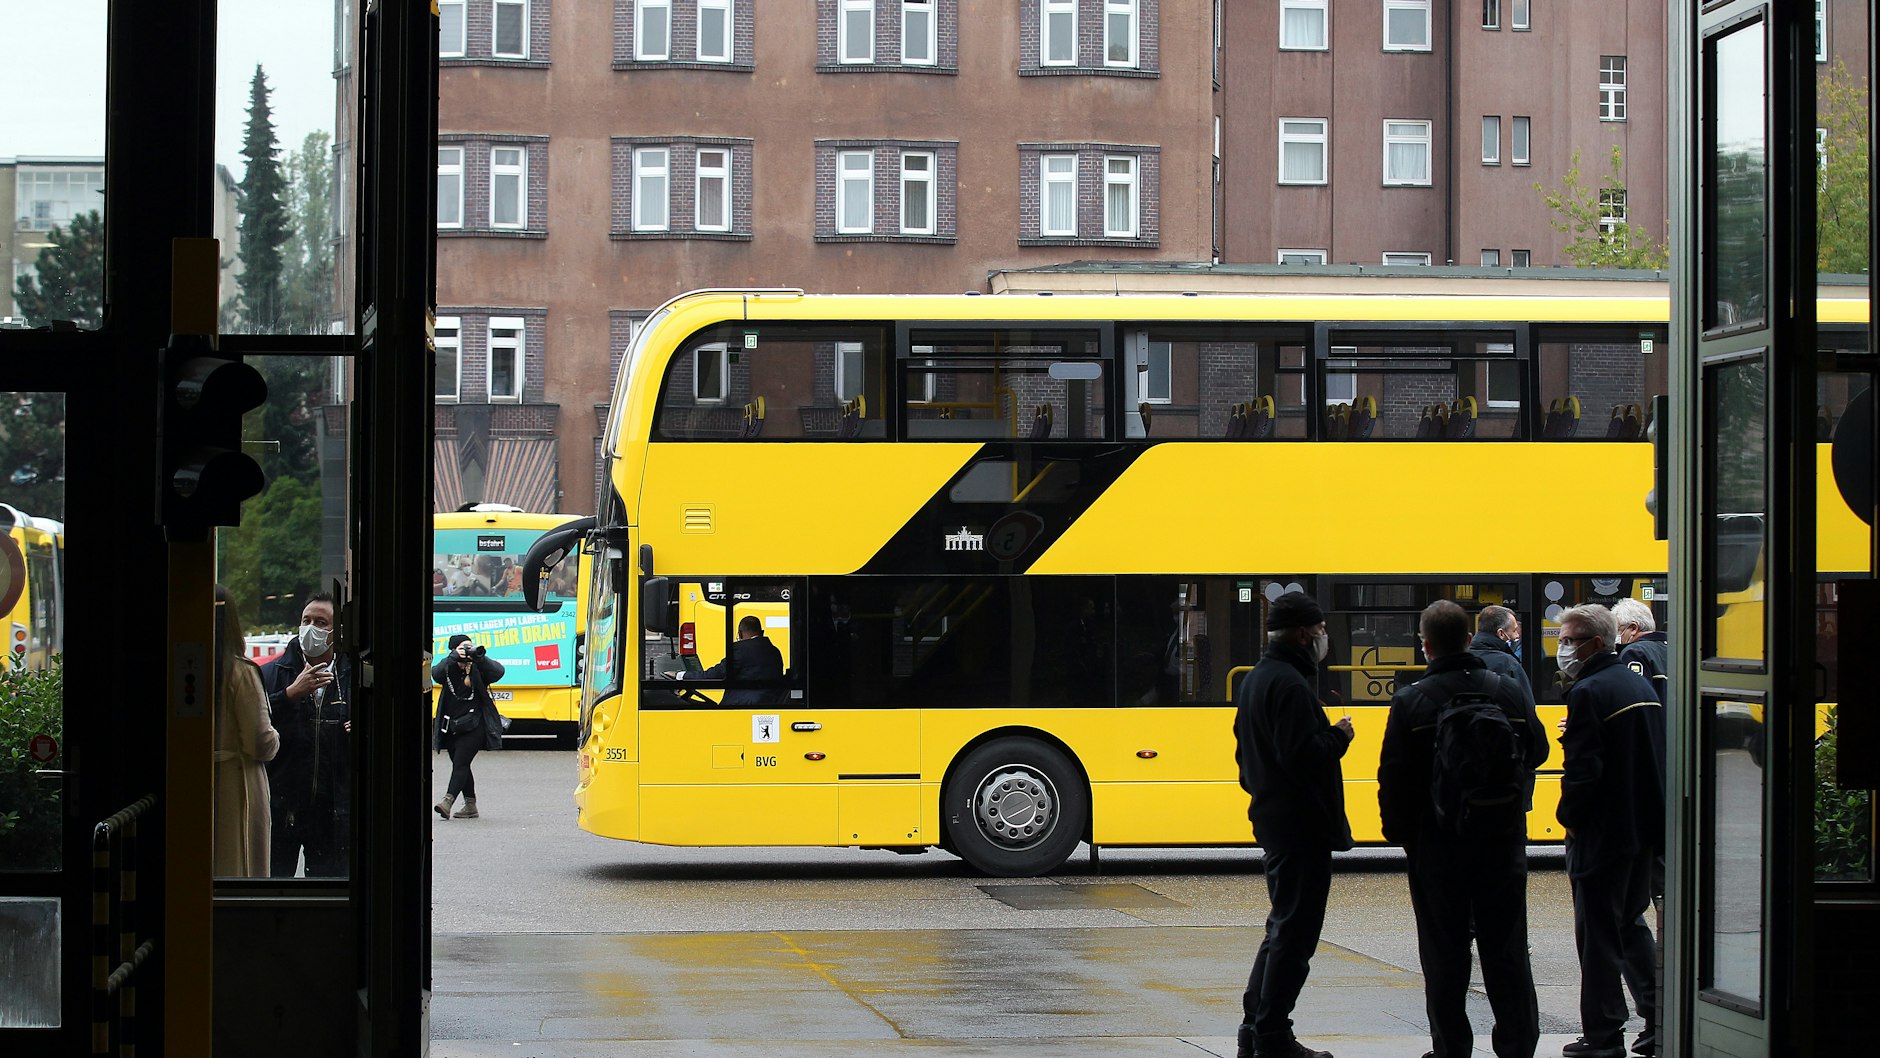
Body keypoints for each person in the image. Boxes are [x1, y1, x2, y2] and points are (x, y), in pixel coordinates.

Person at [1378, 600, 1546, 1058]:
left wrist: (1404, 836)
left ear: (1426, 646)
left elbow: (1393, 778)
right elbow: (1539, 750)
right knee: (1507, 949)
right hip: (1500, 843)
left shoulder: (1412, 701)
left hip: (1438, 850)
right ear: (1470, 639)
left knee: (1444, 955)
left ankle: (1451, 1047)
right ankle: (1517, 1045)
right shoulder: (1506, 690)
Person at [1232, 590, 1353, 1058]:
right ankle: (1273, 1035)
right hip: (1301, 826)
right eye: (1321, 630)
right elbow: (1304, 756)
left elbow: (1246, 759)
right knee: (1295, 934)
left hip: (1275, 819)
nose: (1324, 638)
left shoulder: (1257, 680)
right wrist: (1337, 737)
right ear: (1304, 633)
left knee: (1281, 928)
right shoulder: (1291, 686)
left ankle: (1256, 1028)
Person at [1555, 603, 1667, 1058]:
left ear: (1596, 643)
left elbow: (1583, 770)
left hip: (1601, 835)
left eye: (1568, 640)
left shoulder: (1589, 692)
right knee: (1628, 924)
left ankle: (1602, 1036)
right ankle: (1658, 1016)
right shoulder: (1635, 684)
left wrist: (1569, 818)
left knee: (1597, 936)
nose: (1562, 648)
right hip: (1640, 830)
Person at [1610, 597, 1669, 1057]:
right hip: (1672, 797)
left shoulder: (1636, 657)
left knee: (1627, 915)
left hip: (1642, 801)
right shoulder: (1674, 650)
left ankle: (1655, 1016)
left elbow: (1635, 722)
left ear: (1630, 630)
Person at [261, 592, 353, 877]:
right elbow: (255, 726)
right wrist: (289, 696)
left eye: (321, 622)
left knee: (329, 890)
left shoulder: (352, 675)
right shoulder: (271, 674)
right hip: (282, 805)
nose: (311, 627)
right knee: (275, 886)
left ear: (336, 632)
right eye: (306, 620)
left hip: (332, 808)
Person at [212, 585, 279, 878]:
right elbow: (260, 742)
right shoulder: (240, 672)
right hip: (236, 785)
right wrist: (277, 737)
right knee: (239, 866)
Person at [432, 634, 507, 820]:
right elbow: (435, 673)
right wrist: (452, 658)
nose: (466, 651)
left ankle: (447, 802)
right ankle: (470, 805)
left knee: (460, 763)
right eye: (462, 648)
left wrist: (479, 657)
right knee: (461, 764)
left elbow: (498, 672)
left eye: (469, 647)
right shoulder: (448, 669)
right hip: (451, 726)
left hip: (475, 726)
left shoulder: (478, 670)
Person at [685, 615, 786, 705]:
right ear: (762, 632)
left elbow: (716, 674)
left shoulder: (741, 649)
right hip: (769, 702)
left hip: (741, 706)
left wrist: (681, 676)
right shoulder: (774, 651)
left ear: (740, 634)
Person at [1470, 604, 1533, 698]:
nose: (1517, 636)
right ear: (1501, 633)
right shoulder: (1508, 664)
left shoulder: (1459, 660)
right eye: (1514, 631)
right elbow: (1526, 706)